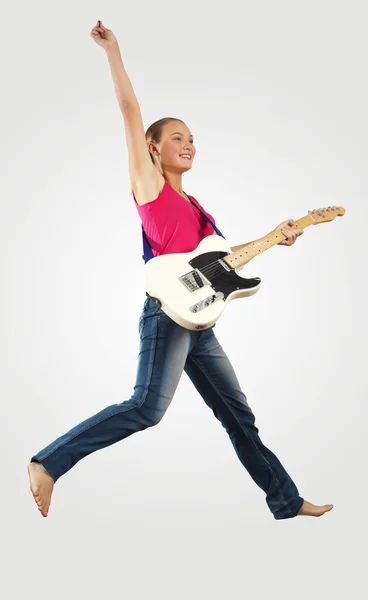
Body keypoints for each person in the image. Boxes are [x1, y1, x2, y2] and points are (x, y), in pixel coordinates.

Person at [28, 20, 333, 520]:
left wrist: (281, 235)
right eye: (176, 137)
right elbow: (130, 112)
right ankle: (48, 464)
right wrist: (113, 52)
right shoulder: (150, 185)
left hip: (201, 324)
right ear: (153, 148)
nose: (188, 144)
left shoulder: (196, 207)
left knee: (239, 416)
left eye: (192, 138)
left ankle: (286, 499)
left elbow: (219, 265)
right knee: (147, 409)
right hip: (167, 317)